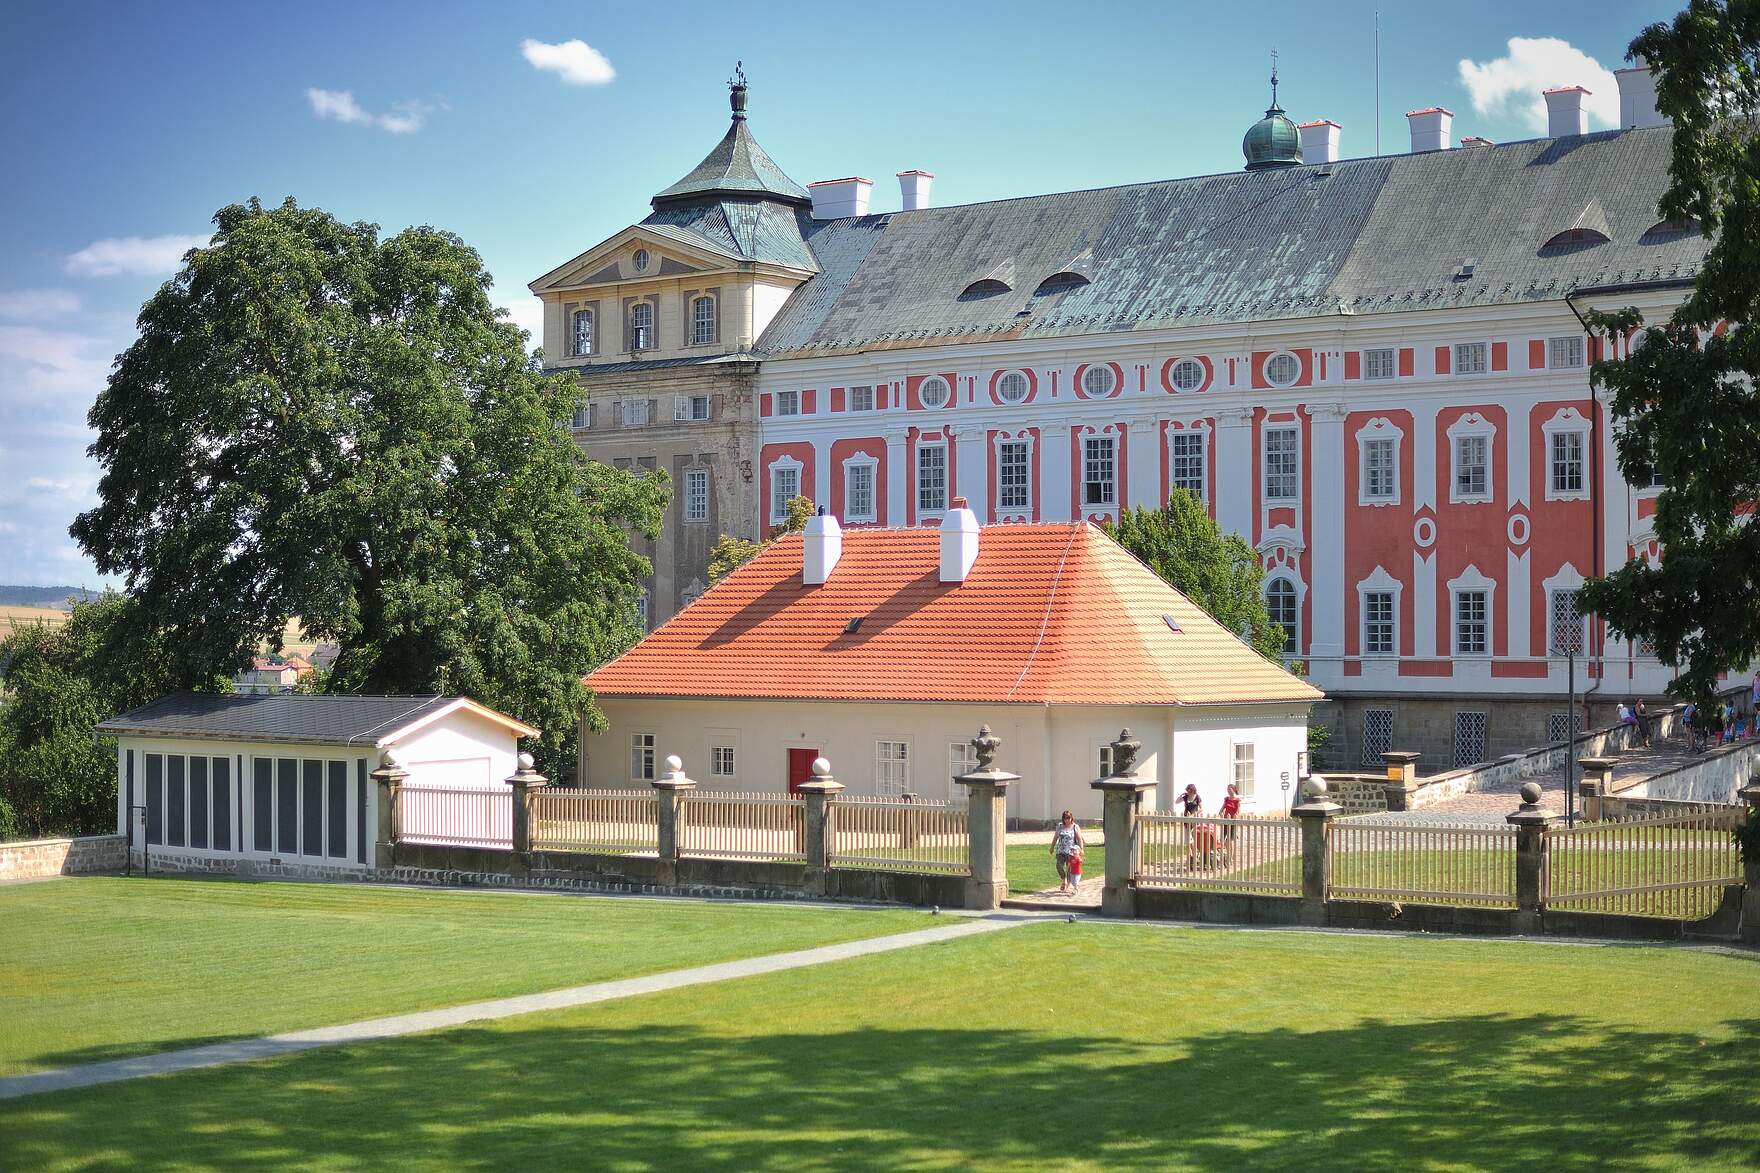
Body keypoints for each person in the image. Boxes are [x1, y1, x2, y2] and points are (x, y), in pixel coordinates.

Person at [1050, 809, 1084, 894]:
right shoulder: (1060, 826)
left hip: (1071, 851)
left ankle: (1067, 885)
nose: (1067, 820)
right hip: (1060, 850)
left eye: (1069, 818)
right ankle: (1063, 880)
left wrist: (1081, 849)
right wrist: (1052, 847)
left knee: (1069, 869)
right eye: (1065, 818)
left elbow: (1079, 838)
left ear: (1071, 818)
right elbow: (1055, 837)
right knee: (1059, 866)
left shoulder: (1075, 826)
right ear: (1063, 819)